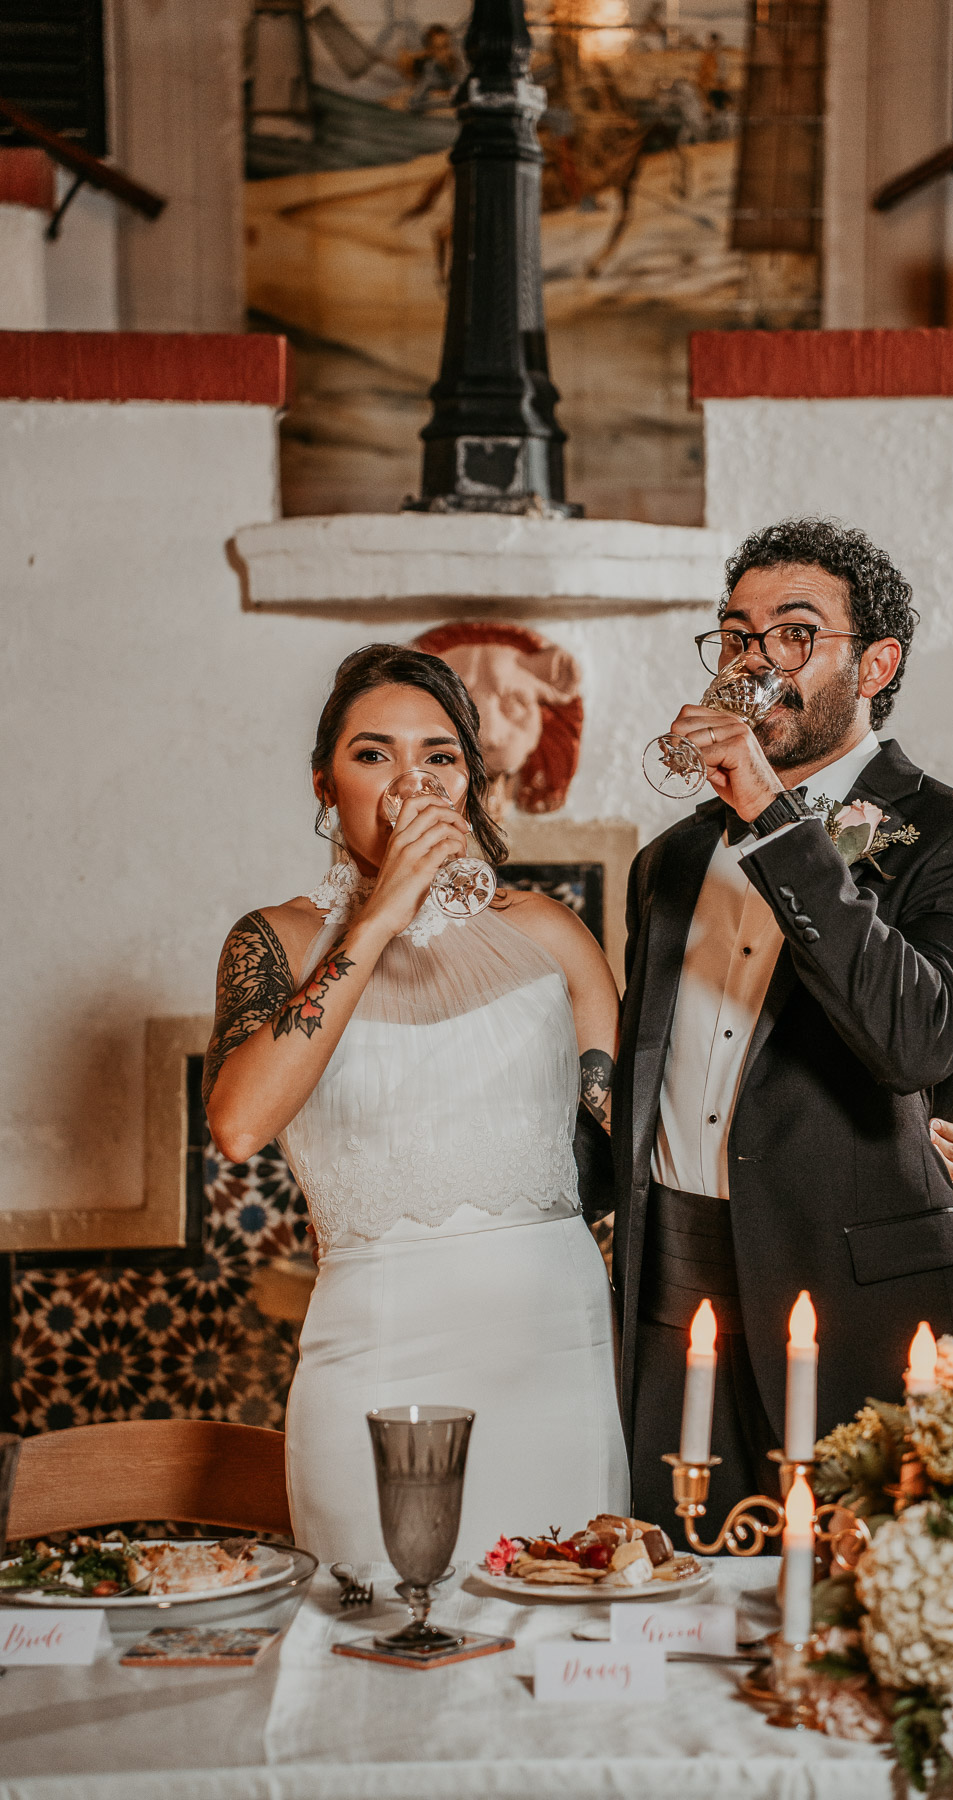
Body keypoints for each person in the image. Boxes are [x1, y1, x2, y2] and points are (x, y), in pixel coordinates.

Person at [610, 517, 953, 1541]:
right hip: (676, 1295)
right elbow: (649, 1074)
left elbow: (918, 1041)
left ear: (877, 663)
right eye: (739, 637)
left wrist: (773, 818)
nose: (757, 662)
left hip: (858, 1299)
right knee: (680, 1594)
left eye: (795, 635)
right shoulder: (667, 862)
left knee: (865, 1609)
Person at [203, 646, 629, 1563]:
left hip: (554, 1356)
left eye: (438, 756)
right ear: (326, 782)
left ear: (471, 784)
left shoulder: (549, 934)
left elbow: (642, 1142)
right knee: (371, 1653)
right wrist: (380, 913)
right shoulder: (272, 940)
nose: (411, 782)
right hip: (376, 1353)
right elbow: (239, 1125)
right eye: (374, 754)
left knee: (561, 1634)